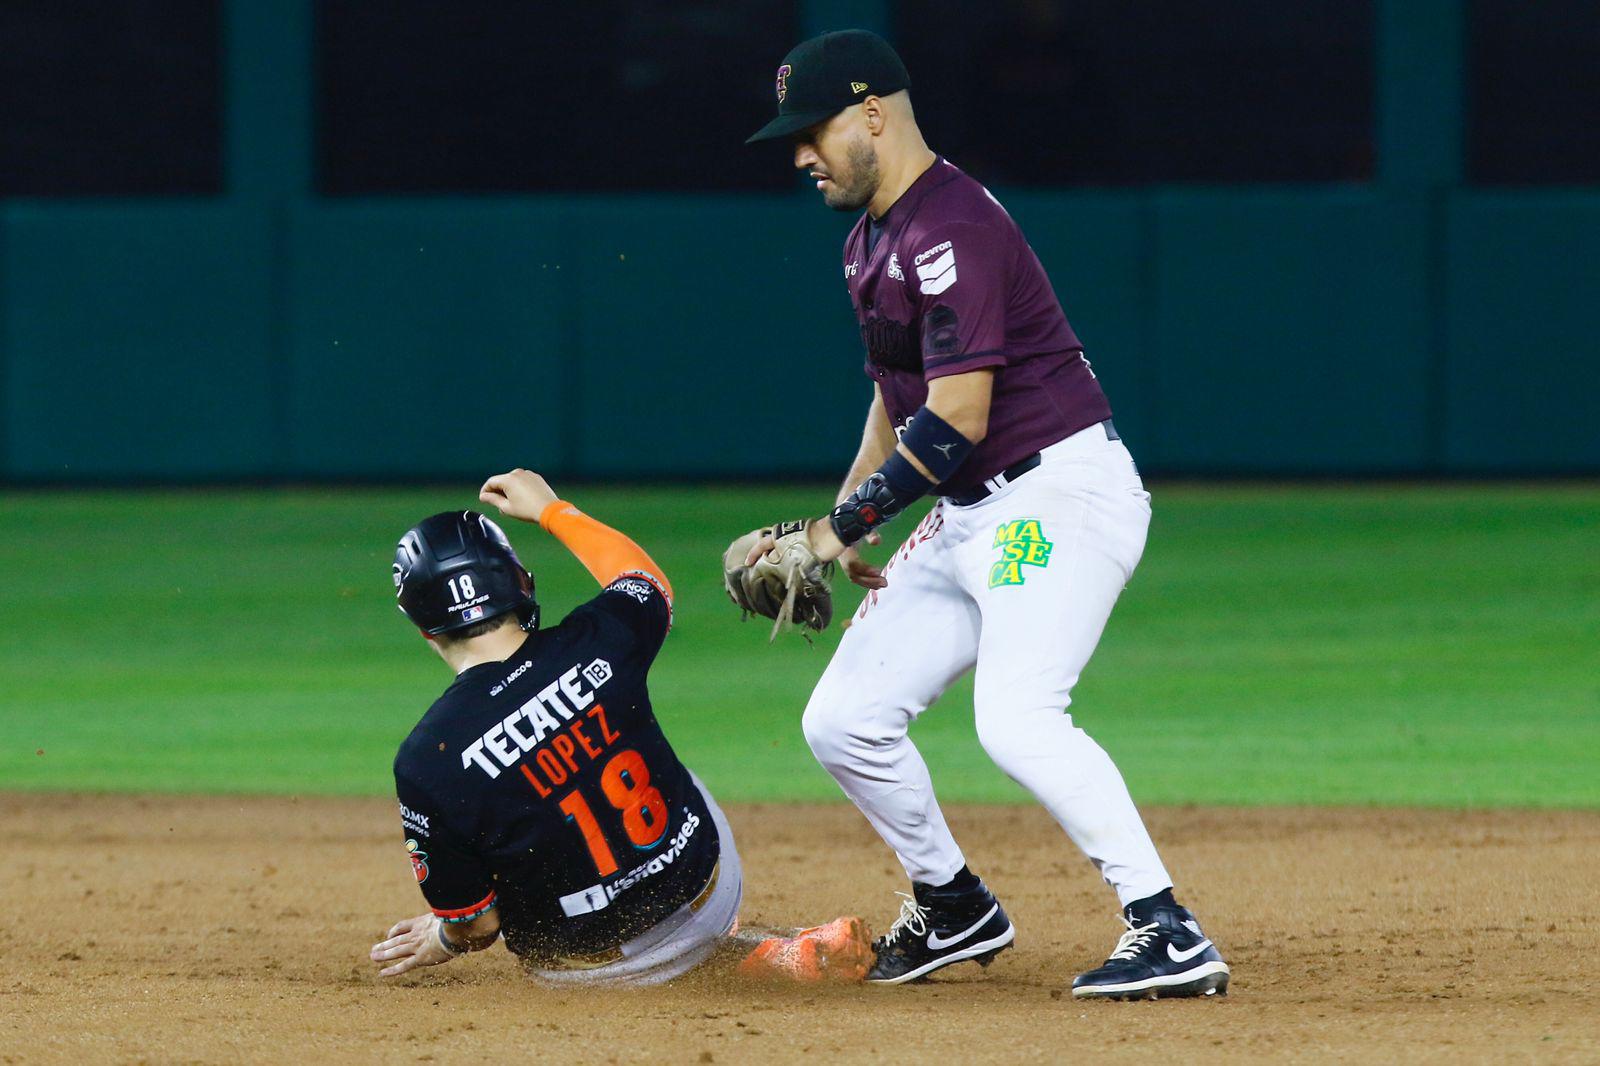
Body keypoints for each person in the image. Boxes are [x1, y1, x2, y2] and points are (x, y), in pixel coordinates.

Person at [742, 30, 1229, 998]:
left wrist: (835, 530)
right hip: (971, 513)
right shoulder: (868, 239)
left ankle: (1166, 929)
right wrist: (852, 516)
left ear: (872, 114)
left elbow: (958, 416)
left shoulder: (950, 227)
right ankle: (953, 902)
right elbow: (898, 400)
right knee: (844, 719)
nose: (799, 155)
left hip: (1053, 498)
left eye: (813, 132)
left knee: (1016, 716)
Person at [369, 469, 869, 985]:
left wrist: (443, 936)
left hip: (594, 972)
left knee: (496, 827)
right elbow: (645, 581)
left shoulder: (428, 759)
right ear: (520, 583)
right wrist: (551, 510)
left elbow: (478, 927)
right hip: (709, 892)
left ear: (426, 629)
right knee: (634, 748)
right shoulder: (601, 637)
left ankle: (743, 959)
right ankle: (751, 949)